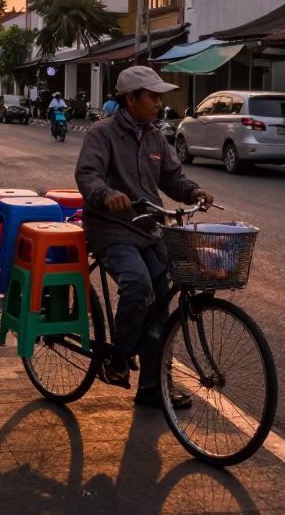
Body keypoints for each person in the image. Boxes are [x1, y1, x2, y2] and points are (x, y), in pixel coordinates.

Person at [75, 65, 214, 408]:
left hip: (148, 228)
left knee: (161, 303)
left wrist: (194, 191)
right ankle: (118, 358)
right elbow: (87, 174)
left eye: (159, 97)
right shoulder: (101, 133)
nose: (158, 103)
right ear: (130, 98)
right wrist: (106, 193)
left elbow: (172, 178)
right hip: (111, 229)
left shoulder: (154, 136)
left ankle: (153, 386)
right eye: (152, 96)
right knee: (138, 285)